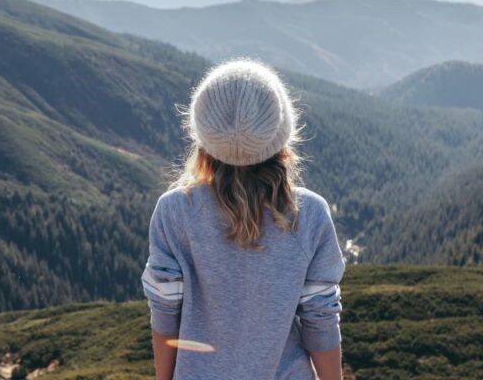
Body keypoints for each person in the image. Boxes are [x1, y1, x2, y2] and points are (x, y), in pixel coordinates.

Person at [141, 59, 346, 380]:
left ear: (203, 135)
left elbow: (166, 312)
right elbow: (319, 319)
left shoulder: (174, 212)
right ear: (281, 134)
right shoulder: (311, 214)